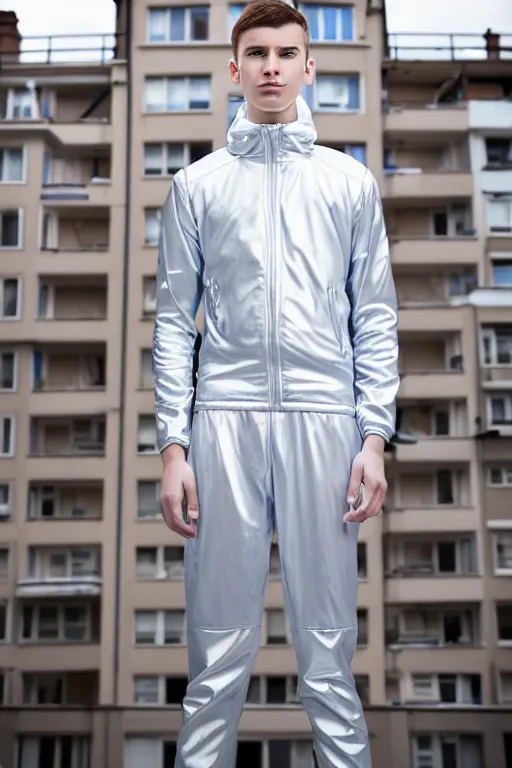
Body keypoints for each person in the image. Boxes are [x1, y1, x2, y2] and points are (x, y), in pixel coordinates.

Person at [152, 0, 399, 765]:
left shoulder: (349, 184)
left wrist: (374, 436)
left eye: (286, 53)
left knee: (329, 656)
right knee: (215, 656)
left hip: (326, 420)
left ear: (308, 67)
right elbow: (170, 322)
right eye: (255, 52)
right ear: (233, 69)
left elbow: (376, 318)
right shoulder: (196, 186)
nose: (270, 66)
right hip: (224, 419)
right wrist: (172, 445)